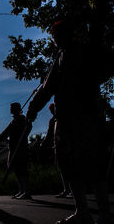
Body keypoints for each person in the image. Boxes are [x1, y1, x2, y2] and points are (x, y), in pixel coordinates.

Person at [26, 20, 112, 224]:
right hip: (67, 118)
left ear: (66, 35)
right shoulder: (61, 57)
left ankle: (103, 212)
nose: (55, 40)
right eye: (54, 37)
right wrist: (34, 107)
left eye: (56, 36)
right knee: (70, 164)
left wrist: (89, 87)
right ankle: (82, 211)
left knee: (91, 164)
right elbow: (47, 87)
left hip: (84, 117)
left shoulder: (84, 52)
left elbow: (105, 69)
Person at [0, 102, 31, 200]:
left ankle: (27, 191)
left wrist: (24, 134)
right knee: (16, 169)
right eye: (10, 108)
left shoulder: (22, 119)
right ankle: (21, 190)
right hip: (13, 148)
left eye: (12, 108)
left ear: (17, 109)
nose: (10, 109)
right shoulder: (13, 121)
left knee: (22, 169)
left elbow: (29, 127)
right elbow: (5, 133)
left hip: (20, 148)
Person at [41, 103, 72, 199]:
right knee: (61, 169)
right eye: (51, 110)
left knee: (69, 168)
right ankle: (66, 189)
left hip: (67, 146)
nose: (52, 112)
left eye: (53, 109)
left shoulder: (66, 118)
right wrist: (44, 143)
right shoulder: (52, 121)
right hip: (57, 147)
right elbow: (49, 133)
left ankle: (72, 190)